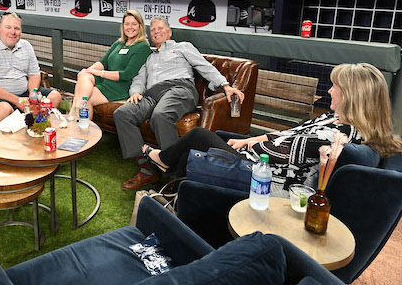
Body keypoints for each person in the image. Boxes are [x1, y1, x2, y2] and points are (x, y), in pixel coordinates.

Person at [144, 62, 402, 196]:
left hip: (264, 176)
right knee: (203, 142)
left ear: (352, 96)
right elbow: (289, 134)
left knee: (200, 136)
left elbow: (283, 152)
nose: (329, 90)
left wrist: (250, 146)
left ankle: (162, 162)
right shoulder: (329, 118)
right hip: (259, 159)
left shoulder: (338, 136)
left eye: (335, 87)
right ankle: (171, 187)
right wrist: (249, 140)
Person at [114, 16, 245, 191]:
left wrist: (225, 85)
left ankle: (174, 177)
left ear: (169, 32)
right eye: (152, 30)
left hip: (179, 89)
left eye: (160, 28)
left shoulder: (183, 47)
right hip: (152, 94)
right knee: (122, 114)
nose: (156, 32)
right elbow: (139, 78)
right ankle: (147, 169)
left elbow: (204, 66)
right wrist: (135, 91)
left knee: (160, 116)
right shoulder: (150, 57)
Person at [0, 12, 61, 125]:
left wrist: (33, 95)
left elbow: (34, 74)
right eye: (8, 27)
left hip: (23, 93)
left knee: (55, 97)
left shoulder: (26, 46)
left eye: (16, 28)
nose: (12, 32)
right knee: (3, 110)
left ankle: (36, 131)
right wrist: (18, 101)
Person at [70, 9, 150, 116]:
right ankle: (75, 114)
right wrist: (89, 70)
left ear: (140, 26)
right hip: (106, 79)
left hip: (120, 86)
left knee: (87, 100)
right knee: (84, 75)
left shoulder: (142, 46)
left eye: (134, 24)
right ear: (123, 26)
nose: (130, 27)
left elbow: (127, 74)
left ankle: (73, 118)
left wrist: (99, 73)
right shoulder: (120, 43)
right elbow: (103, 62)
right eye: (127, 24)